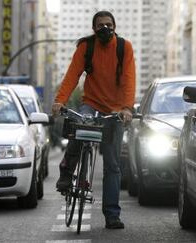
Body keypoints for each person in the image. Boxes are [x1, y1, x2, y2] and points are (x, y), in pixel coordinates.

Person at [51, 10, 136, 230]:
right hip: (91, 104)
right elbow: (72, 76)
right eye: (100, 25)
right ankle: (67, 171)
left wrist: (127, 108)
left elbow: (129, 78)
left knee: (113, 165)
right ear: (94, 29)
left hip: (115, 111)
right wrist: (60, 101)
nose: (105, 28)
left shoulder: (123, 48)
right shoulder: (86, 47)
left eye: (109, 24)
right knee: (79, 129)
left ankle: (112, 215)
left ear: (115, 27)